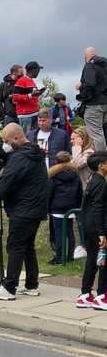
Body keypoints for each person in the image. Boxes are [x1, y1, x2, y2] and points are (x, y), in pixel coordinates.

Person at [0, 123, 48, 300]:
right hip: (35, 207)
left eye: (6, 141)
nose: (5, 145)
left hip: (24, 209)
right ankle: (31, 284)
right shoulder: (34, 153)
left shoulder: (21, 158)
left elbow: (7, 181)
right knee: (28, 246)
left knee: (15, 246)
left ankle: (9, 287)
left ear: (16, 138)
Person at [77, 152, 107, 309]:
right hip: (97, 228)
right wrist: (102, 233)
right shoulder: (101, 183)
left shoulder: (92, 181)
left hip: (88, 226)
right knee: (103, 261)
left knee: (92, 260)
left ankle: (85, 294)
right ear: (101, 165)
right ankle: (102, 295)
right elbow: (98, 208)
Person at [47, 152, 82, 265]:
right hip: (71, 207)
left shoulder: (53, 175)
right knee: (69, 231)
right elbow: (79, 192)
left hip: (57, 207)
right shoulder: (75, 174)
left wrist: (48, 207)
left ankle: (59, 257)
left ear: (56, 161)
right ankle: (70, 256)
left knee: (58, 233)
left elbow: (50, 192)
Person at [71, 127, 95, 260]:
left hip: (91, 191)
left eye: (74, 139)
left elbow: (77, 164)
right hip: (83, 190)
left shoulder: (89, 152)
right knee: (82, 219)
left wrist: (77, 147)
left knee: (89, 219)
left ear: (82, 138)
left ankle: (89, 246)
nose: (72, 142)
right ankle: (85, 245)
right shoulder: (81, 152)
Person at [76, 47, 107, 152]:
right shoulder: (105, 64)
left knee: (96, 133)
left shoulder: (90, 65)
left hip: (94, 104)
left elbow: (90, 84)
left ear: (85, 57)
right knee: (103, 130)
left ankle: (102, 161)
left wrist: (80, 88)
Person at [13, 61, 45, 134]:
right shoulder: (21, 81)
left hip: (35, 113)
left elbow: (32, 96)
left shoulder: (31, 81)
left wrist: (39, 93)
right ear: (33, 70)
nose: (38, 72)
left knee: (35, 136)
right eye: (38, 70)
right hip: (26, 116)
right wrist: (31, 95)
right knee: (27, 138)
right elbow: (15, 98)